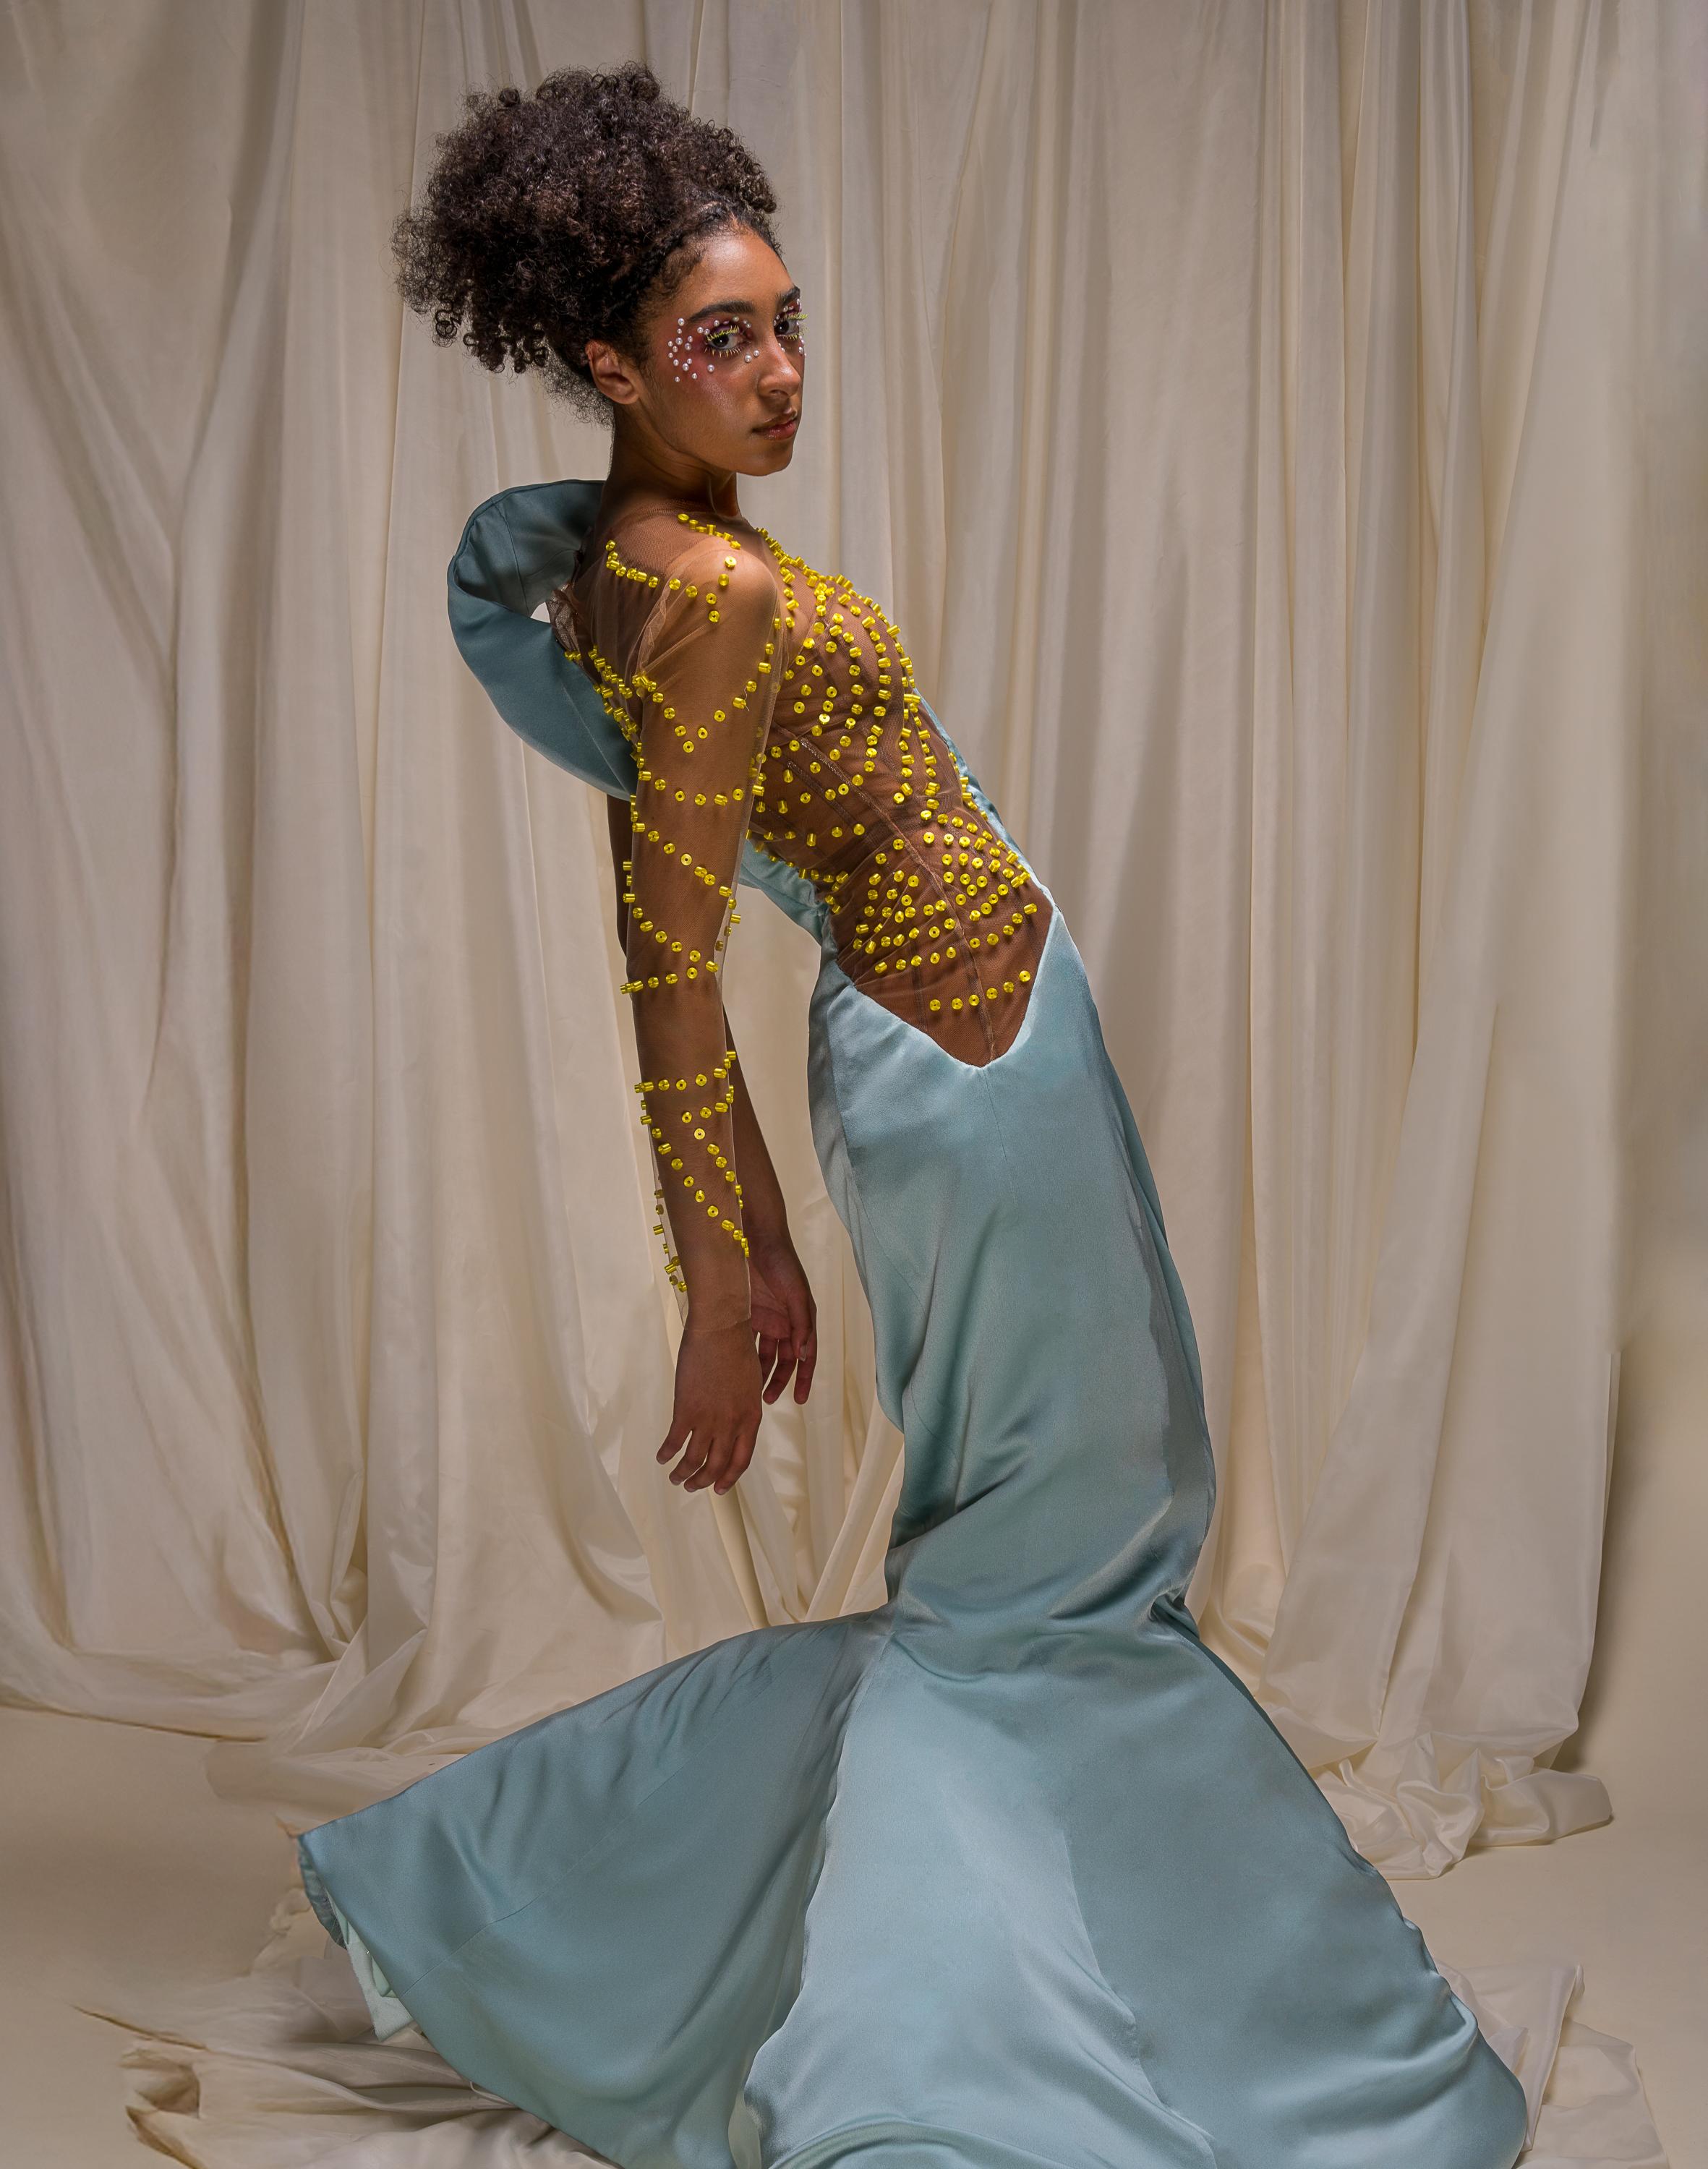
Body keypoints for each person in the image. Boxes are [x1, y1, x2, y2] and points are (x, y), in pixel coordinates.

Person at [296, 62, 1529, 2169]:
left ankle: (1006, 1966)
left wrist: (765, 1232)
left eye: (787, 324)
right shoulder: (710, 593)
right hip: (968, 1082)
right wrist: (721, 1279)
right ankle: (937, 2057)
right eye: (724, 338)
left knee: (1055, 1561)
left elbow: (685, 828)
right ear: (610, 361)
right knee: (1059, 1579)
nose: (782, 373)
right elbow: (666, 962)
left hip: (969, 1048)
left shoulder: (645, 549)